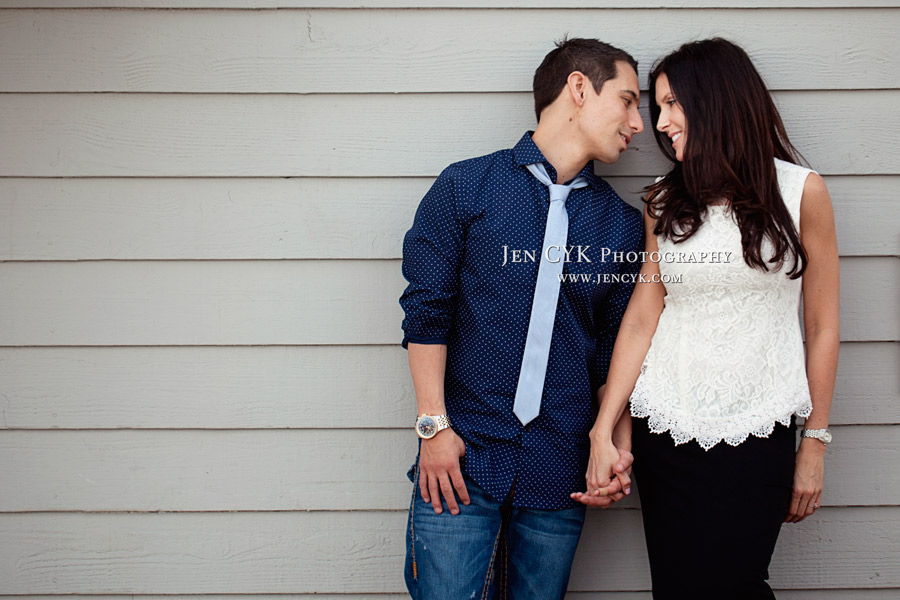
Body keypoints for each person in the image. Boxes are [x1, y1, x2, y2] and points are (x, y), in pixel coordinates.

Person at [579, 38, 840, 599]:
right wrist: (605, 427)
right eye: (659, 107)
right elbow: (643, 317)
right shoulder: (662, 201)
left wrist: (814, 441)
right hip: (666, 423)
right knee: (677, 588)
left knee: (738, 583)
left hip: (761, 423)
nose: (661, 122)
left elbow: (821, 327)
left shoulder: (801, 193)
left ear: (717, 99)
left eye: (673, 104)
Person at [399, 38, 646, 599]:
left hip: (558, 469)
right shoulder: (466, 187)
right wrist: (433, 428)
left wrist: (614, 447)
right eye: (628, 100)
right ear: (579, 89)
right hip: (459, 460)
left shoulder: (621, 227)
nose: (637, 124)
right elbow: (426, 312)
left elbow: (613, 354)